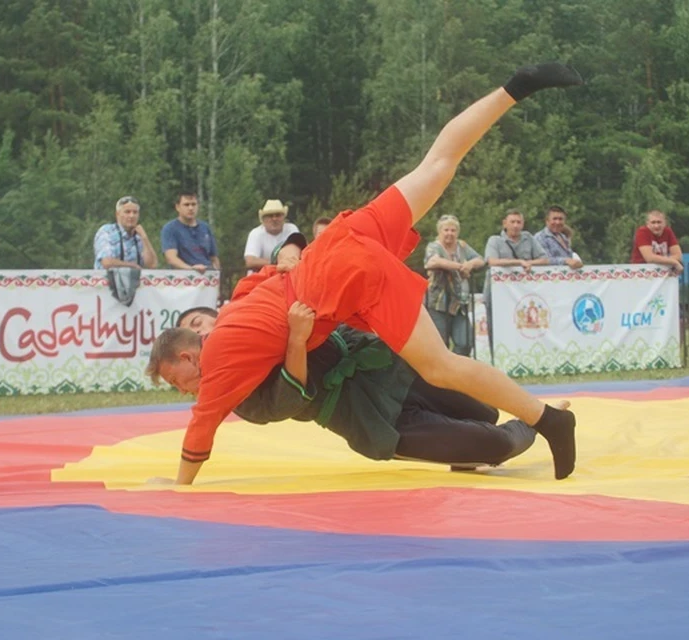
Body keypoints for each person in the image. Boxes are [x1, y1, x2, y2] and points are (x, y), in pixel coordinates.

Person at [147, 62, 584, 485]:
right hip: (340, 241)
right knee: (436, 164)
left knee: (442, 367)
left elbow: (202, 426)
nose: (184, 390)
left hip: (346, 277)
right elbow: (285, 257)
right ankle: (517, 86)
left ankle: (549, 420)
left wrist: (179, 483)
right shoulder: (237, 307)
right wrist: (295, 249)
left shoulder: (218, 356)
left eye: (174, 379)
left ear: (187, 356)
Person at [174, 305, 543, 469]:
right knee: (497, 443)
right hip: (367, 418)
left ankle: (465, 445)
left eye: (198, 322)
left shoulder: (255, 312)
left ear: (217, 314)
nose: (202, 333)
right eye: (193, 332)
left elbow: (295, 274)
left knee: (485, 411)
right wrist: (296, 343)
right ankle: (537, 422)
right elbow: (284, 403)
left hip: (386, 367)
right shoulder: (232, 389)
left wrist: (288, 248)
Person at [483, 209, 549, 354]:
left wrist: (530, 263)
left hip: (522, 294)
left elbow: (544, 259)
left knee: (522, 325)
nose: (515, 225)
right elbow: (492, 261)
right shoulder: (495, 241)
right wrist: (519, 262)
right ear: (505, 223)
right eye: (512, 222)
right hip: (497, 293)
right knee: (497, 326)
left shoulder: (529, 238)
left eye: (519, 222)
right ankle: (497, 357)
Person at [424, 214, 485, 356]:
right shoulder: (434, 247)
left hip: (460, 304)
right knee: (440, 345)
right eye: (446, 230)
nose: (450, 234)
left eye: (453, 230)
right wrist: (459, 267)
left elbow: (481, 260)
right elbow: (433, 262)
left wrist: (470, 264)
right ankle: (439, 376)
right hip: (439, 304)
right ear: (440, 231)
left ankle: (457, 373)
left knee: (465, 342)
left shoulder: (462, 246)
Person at [160, 192, 220, 272]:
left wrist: (216, 273)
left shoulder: (205, 228)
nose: (191, 208)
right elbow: (171, 258)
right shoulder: (170, 229)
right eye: (186, 205)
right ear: (178, 207)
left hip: (207, 275)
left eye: (194, 204)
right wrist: (191, 269)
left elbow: (214, 258)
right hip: (182, 277)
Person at [93, 196, 158, 270]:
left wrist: (144, 238)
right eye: (127, 212)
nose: (131, 216)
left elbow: (152, 265)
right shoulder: (107, 232)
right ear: (117, 214)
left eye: (135, 212)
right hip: (109, 280)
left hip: (134, 280)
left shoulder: (139, 236)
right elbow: (107, 262)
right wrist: (133, 266)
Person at [243, 199, 300, 271]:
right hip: (261, 278)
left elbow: (303, 253)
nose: (274, 219)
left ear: (283, 217)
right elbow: (250, 261)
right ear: (263, 219)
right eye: (270, 216)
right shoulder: (256, 234)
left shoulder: (292, 229)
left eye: (278, 215)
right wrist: (278, 263)